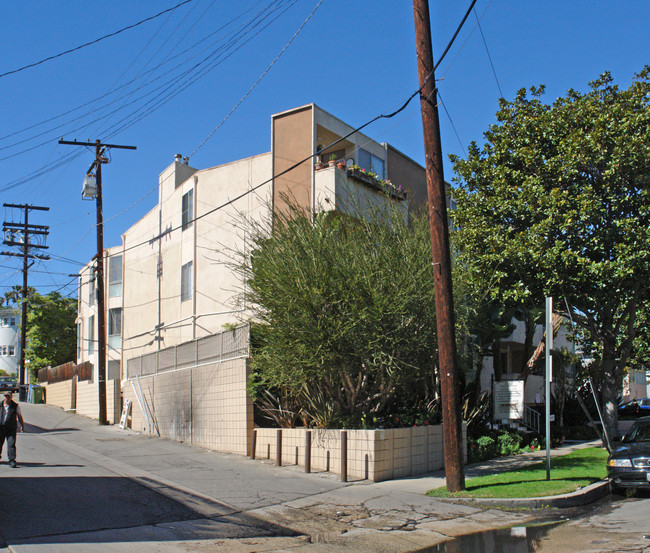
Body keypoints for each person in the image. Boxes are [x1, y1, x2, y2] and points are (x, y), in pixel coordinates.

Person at [0, 391, 25, 468]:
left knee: (11, 444)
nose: (7, 398)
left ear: (11, 397)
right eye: (6, 396)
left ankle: (12, 460)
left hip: (11, 428)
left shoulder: (15, 406)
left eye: (8, 396)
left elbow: (19, 416)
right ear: (3, 397)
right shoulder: (0, 405)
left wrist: (22, 425)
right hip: (1, 427)